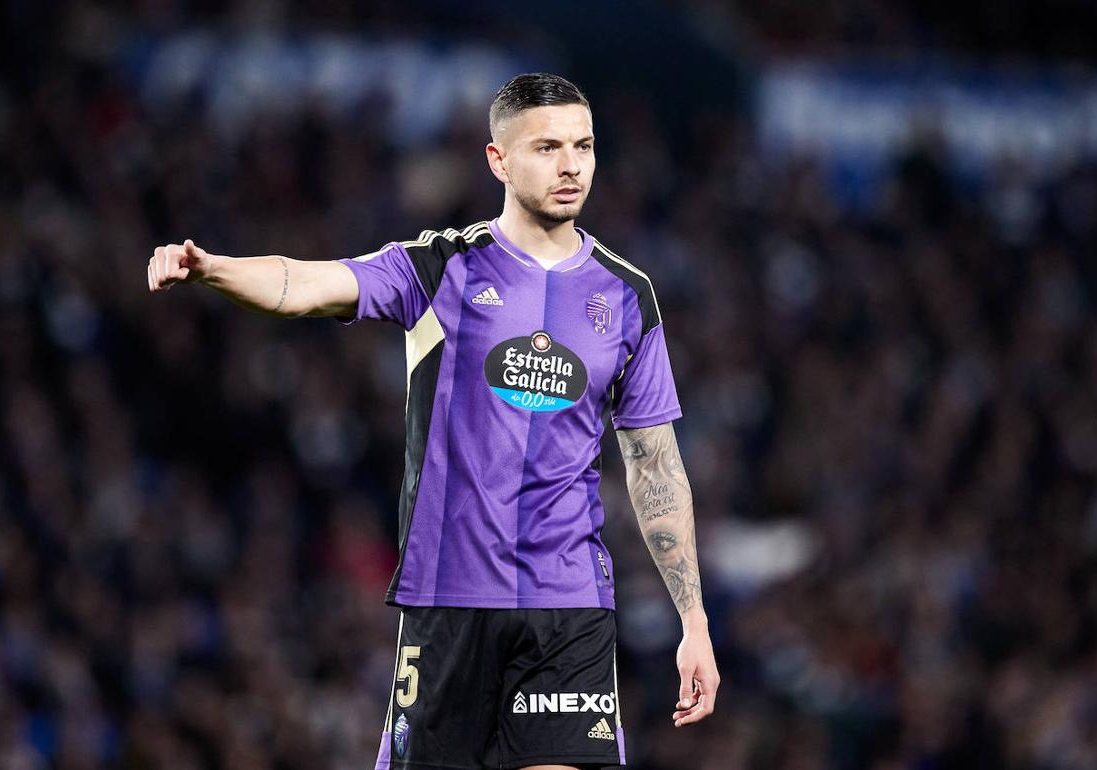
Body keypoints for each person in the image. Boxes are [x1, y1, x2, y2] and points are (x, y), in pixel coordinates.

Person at [147, 72, 718, 770]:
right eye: (546, 147)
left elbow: (655, 462)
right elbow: (309, 285)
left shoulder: (628, 297)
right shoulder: (440, 267)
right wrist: (213, 268)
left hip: (568, 605)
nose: (571, 165)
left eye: (584, 145)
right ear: (498, 161)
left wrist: (694, 620)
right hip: (452, 600)